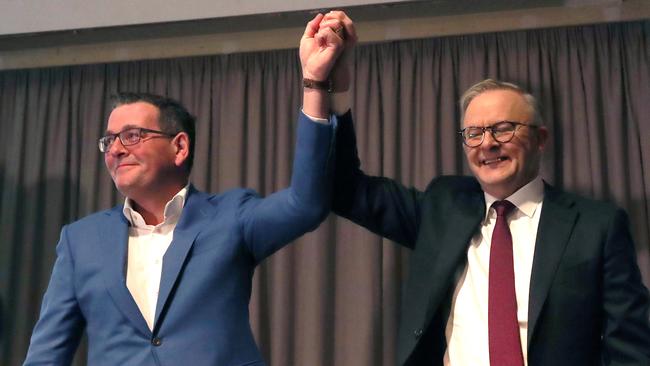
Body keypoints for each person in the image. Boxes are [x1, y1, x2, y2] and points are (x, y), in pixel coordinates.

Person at [321, 11, 650, 366]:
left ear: (540, 139)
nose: (487, 144)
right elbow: (346, 190)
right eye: (474, 134)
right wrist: (332, 88)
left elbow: (630, 350)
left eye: (503, 128)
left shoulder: (596, 226)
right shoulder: (443, 207)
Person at [23, 13, 347, 366]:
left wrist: (315, 83)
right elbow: (46, 356)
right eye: (109, 141)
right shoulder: (80, 240)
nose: (115, 149)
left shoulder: (230, 217)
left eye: (132, 136)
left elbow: (306, 204)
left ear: (179, 147)